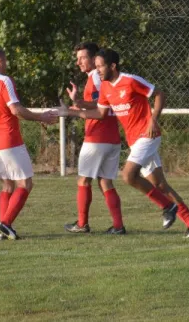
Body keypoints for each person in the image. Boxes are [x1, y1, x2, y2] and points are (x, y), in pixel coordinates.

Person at [54, 48, 189, 238]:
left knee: (128, 175)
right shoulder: (106, 87)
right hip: (134, 140)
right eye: (97, 66)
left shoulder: (130, 80)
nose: (98, 70)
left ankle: (168, 206)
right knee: (159, 185)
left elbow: (159, 94)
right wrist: (72, 110)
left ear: (113, 66)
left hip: (148, 135)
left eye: (101, 66)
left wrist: (154, 119)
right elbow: (100, 114)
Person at [0, 47, 57, 240]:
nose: (6, 64)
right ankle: (6, 223)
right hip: (9, 139)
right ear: (0, 61)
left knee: (7, 185)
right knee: (25, 183)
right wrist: (40, 116)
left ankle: (4, 228)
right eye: (5, 60)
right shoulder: (4, 81)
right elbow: (16, 110)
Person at [63, 42, 126, 235]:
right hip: (112, 137)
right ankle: (118, 225)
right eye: (77, 58)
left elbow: (101, 109)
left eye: (82, 58)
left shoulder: (96, 78)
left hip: (97, 137)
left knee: (83, 180)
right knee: (105, 181)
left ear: (93, 59)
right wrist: (79, 104)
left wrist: (77, 107)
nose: (78, 62)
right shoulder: (100, 78)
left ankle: (82, 224)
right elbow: (101, 104)